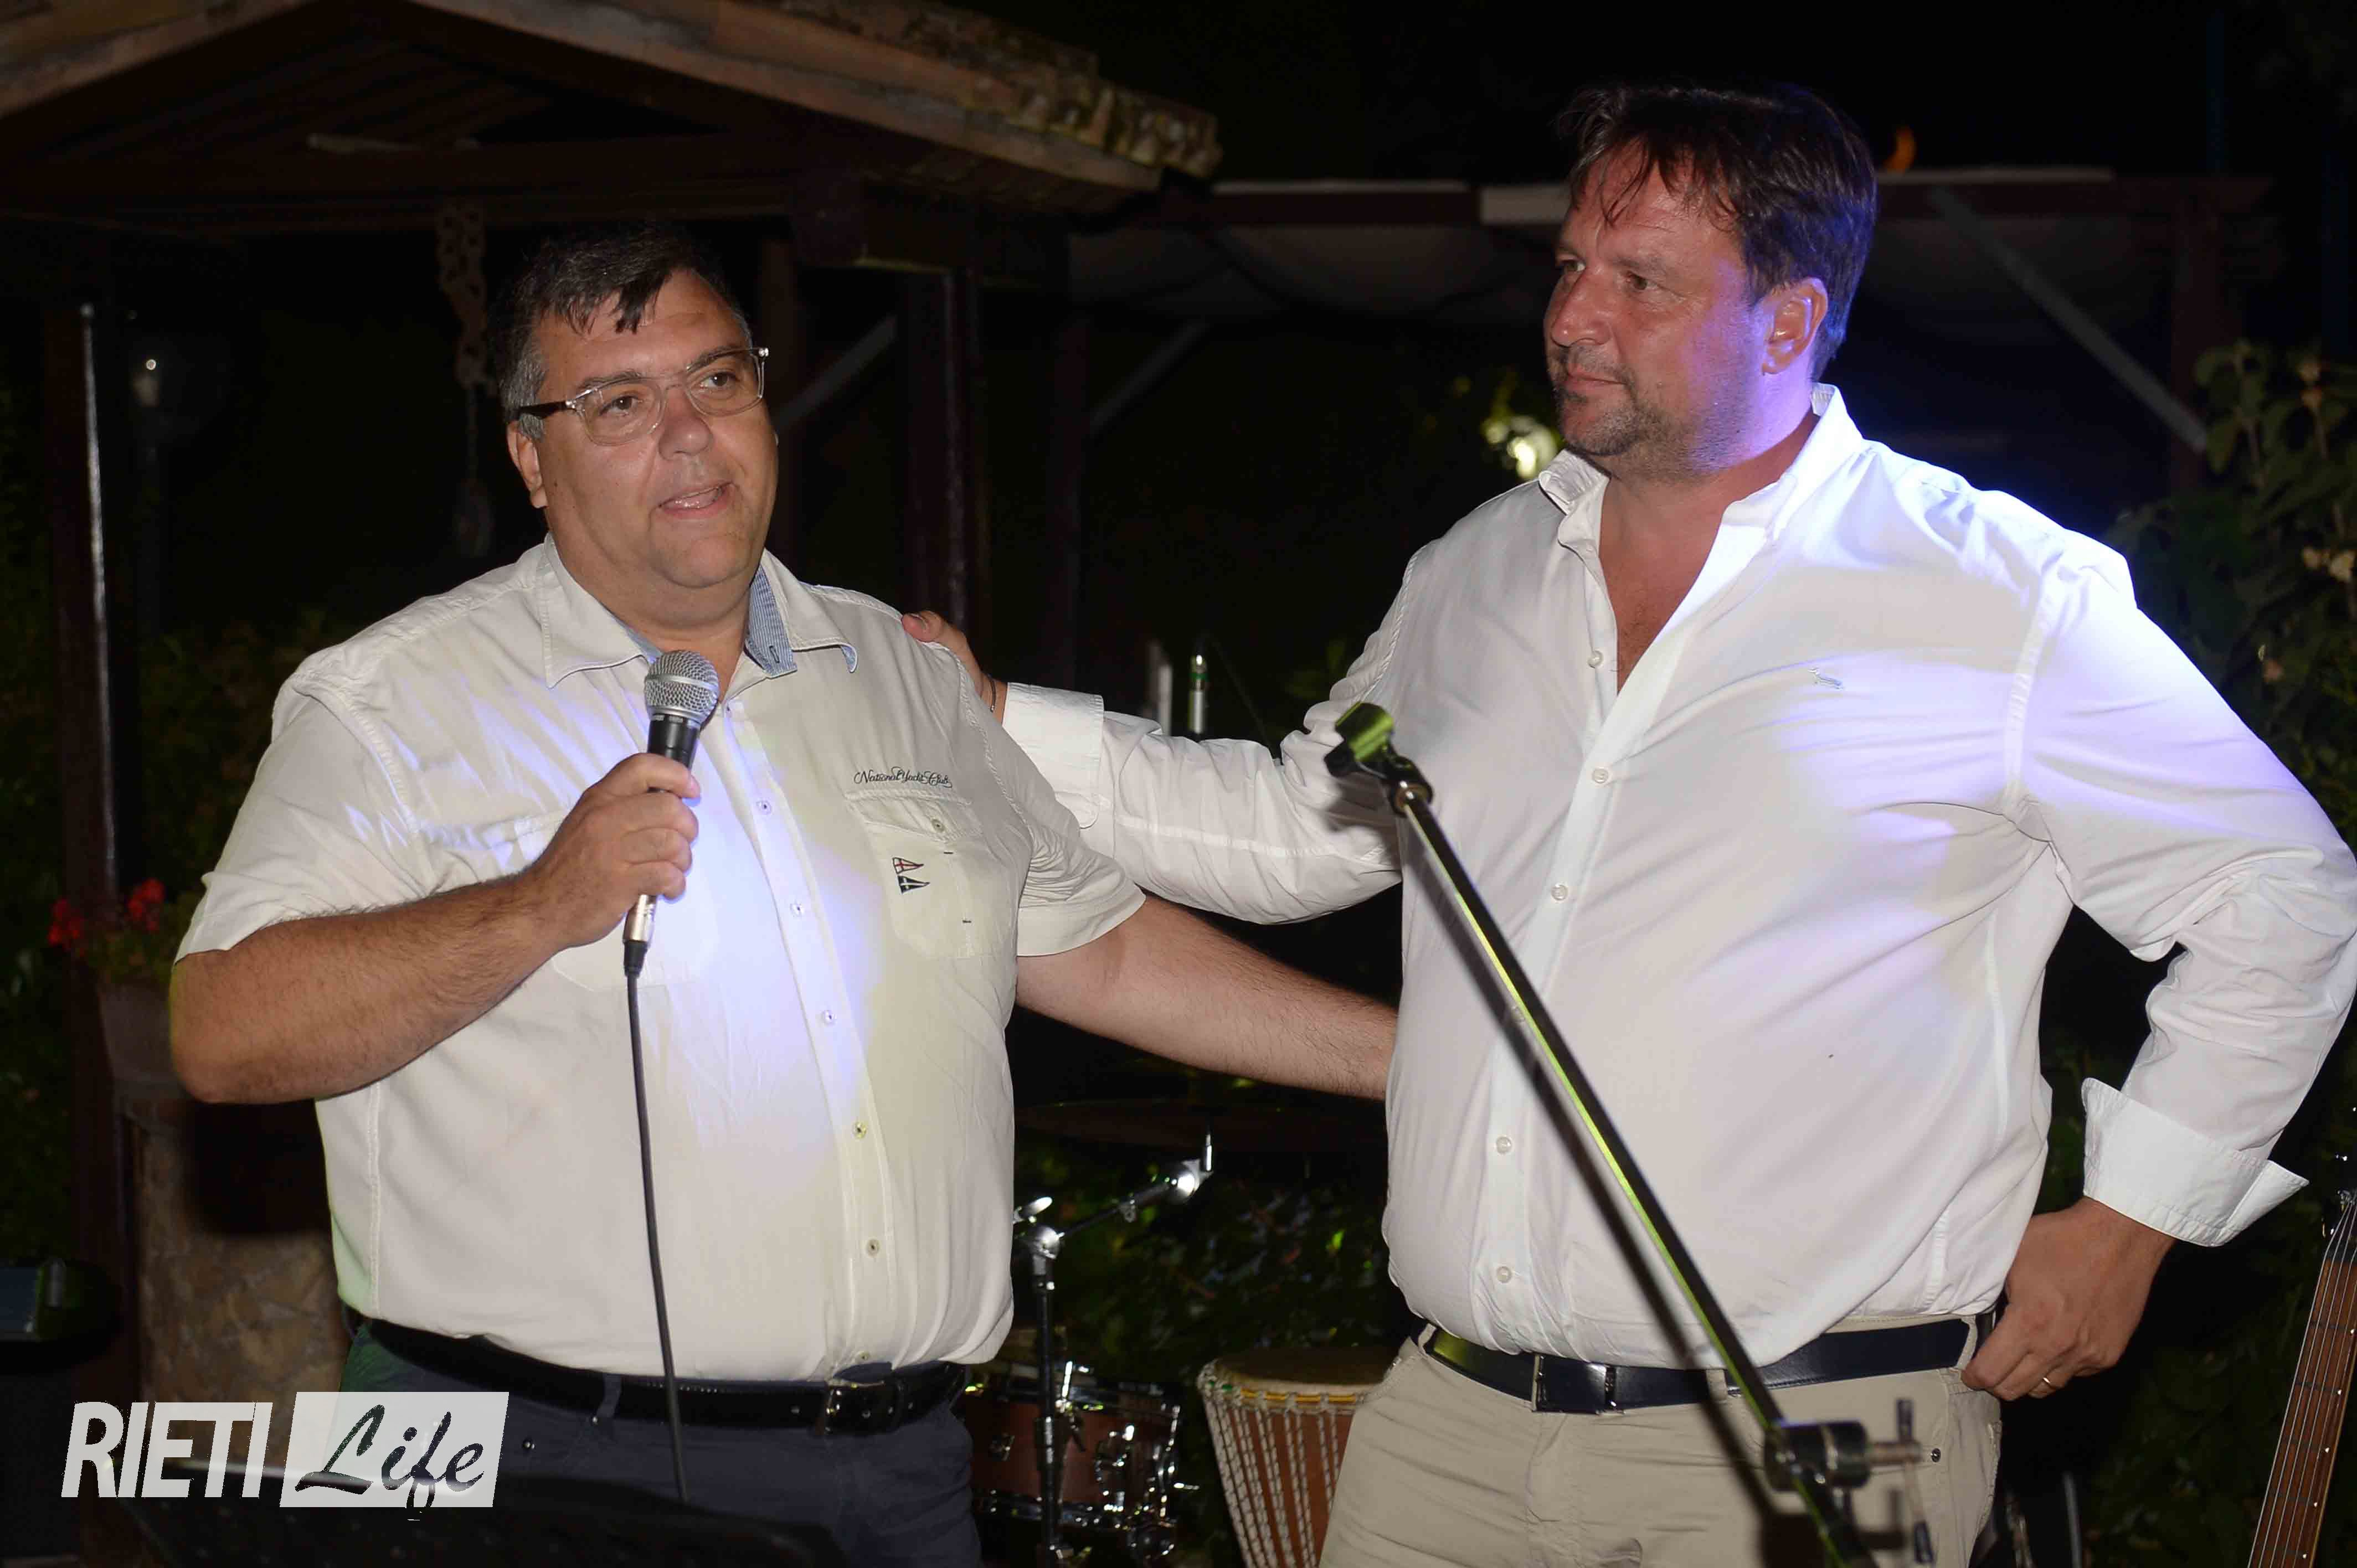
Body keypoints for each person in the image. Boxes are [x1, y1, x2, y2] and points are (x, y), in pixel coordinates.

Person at [909, 80, 2357, 1566]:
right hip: (1451, 1428)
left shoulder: (1995, 593)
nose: (1572, 320)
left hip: (1820, 1435)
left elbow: (2284, 892)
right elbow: (1292, 832)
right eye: (1569, 268)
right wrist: (995, 716)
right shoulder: (1478, 569)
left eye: (1642, 283)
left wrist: (2131, 1224)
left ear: (1790, 324)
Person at [168, 222, 1392, 1567]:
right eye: (618, 404)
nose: (688, 435)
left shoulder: (899, 669)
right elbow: (222, 1034)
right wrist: (535, 905)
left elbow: (1097, 951)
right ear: (530, 458)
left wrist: (1424, 1067)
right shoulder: (394, 701)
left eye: (717, 380)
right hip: (527, 1462)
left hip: (903, 1473)